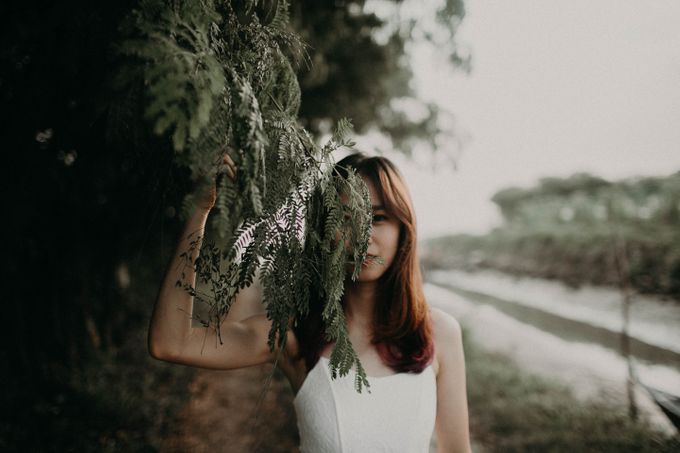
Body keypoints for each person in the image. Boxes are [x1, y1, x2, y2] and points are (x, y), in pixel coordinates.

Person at [148, 151, 472, 452]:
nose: (361, 235)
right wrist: (199, 212)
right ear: (322, 232)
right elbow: (171, 343)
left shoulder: (438, 333)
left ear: (405, 230)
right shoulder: (293, 335)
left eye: (378, 218)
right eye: (345, 218)